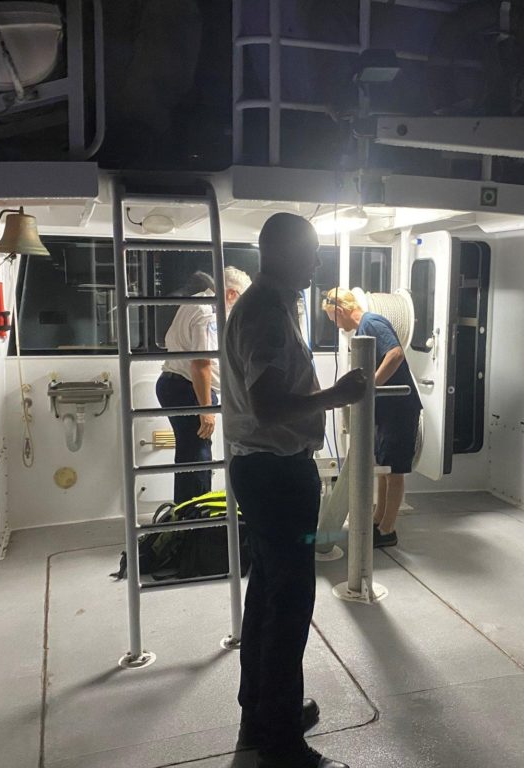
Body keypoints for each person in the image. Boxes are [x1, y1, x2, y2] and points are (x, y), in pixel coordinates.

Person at [224, 213, 366, 768]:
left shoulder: (274, 305)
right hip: (277, 475)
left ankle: (261, 711)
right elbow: (268, 406)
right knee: (289, 605)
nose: (317, 262)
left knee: (267, 593)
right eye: (310, 251)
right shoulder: (265, 312)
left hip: (264, 471)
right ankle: (281, 743)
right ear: (279, 252)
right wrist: (337, 396)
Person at [323, 288, 422, 548]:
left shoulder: (372, 322)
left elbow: (395, 354)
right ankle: (378, 519)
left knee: (395, 470)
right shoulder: (363, 328)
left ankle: (388, 530)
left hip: (399, 409)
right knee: (383, 468)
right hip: (386, 411)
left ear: (340, 310)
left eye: (334, 319)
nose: (336, 325)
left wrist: (370, 387)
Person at [157, 266, 251, 504]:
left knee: (189, 454)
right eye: (241, 300)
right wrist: (206, 409)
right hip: (188, 389)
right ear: (231, 294)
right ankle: (197, 516)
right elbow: (201, 364)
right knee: (198, 456)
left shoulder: (196, 301)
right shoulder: (209, 312)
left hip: (175, 385)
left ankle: (186, 513)